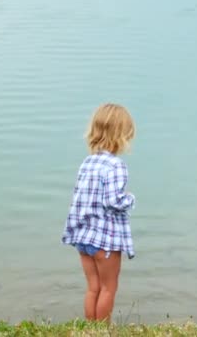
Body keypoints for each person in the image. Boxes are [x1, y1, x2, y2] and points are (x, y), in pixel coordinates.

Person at [61, 103, 136, 322]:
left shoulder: (87, 163)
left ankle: (90, 330)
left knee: (93, 288)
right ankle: (102, 331)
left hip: (84, 238)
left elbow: (79, 199)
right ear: (121, 135)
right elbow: (113, 201)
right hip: (105, 240)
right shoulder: (116, 166)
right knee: (108, 288)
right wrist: (129, 199)